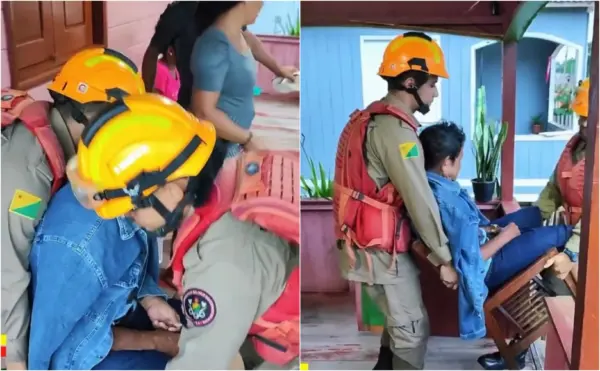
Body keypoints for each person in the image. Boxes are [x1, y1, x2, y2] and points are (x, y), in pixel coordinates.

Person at [65, 93, 300, 370]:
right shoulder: (228, 176)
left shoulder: (219, 264)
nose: (129, 219)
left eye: (131, 209)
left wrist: (142, 340)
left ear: (173, 189)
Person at [1, 46, 146, 370]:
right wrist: (14, 361)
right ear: (91, 118)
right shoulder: (26, 180)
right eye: (119, 128)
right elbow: (6, 273)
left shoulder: (56, 133)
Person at [333, 31, 459, 370]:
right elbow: (419, 199)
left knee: (396, 324)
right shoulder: (396, 132)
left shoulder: (371, 119)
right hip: (381, 255)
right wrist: (444, 259)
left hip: (367, 246)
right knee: (411, 331)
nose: (436, 91)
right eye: (432, 83)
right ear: (409, 81)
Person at [419, 121, 574, 343]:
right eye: (460, 159)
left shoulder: (434, 186)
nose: (461, 165)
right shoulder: (451, 205)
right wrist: (506, 236)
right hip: (487, 268)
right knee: (560, 233)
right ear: (446, 163)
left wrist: (493, 229)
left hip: (485, 242)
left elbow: (465, 239)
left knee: (532, 215)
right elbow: (471, 259)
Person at [476, 78, 590, 370]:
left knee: (569, 318)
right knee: (526, 283)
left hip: (586, 243)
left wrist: (573, 253)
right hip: (565, 234)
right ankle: (517, 350)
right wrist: (533, 217)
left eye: (590, 117)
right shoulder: (575, 145)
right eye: (581, 116)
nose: (584, 123)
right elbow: (553, 188)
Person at [28, 181, 185, 369]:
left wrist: (149, 299)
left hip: (113, 309)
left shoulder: (117, 197)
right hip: (83, 353)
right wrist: (157, 341)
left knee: (193, 320)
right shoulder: (79, 258)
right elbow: (60, 354)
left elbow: (124, 268)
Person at [141, 1, 297, 111]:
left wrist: (279, 69)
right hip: (193, 105)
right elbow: (152, 53)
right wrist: (148, 95)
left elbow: (249, 39)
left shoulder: (226, 9)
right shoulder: (179, 13)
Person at [190, 1, 292, 159]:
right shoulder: (215, 45)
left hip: (236, 142)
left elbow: (254, 45)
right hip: (218, 150)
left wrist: (279, 70)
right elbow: (203, 112)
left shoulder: (238, 33)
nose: (262, 4)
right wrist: (248, 139)